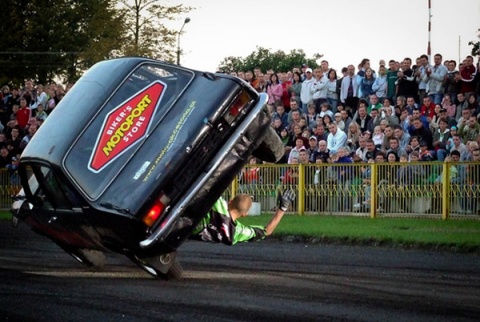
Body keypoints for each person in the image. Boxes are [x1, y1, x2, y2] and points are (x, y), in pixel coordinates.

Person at [191, 189, 296, 245]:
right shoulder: (237, 232)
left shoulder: (219, 203)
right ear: (245, 214)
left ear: (230, 201)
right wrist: (282, 208)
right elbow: (266, 231)